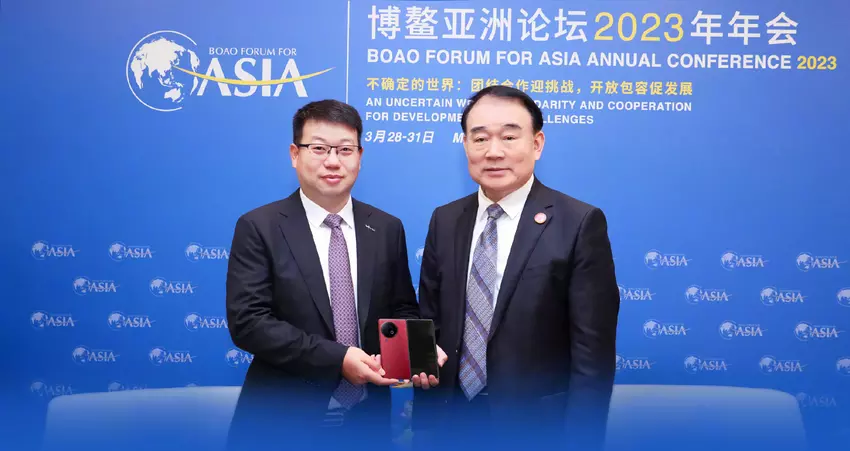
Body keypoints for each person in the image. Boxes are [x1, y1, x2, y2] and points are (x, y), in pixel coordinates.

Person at [413, 85, 620, 449]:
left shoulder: (578, 222)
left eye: (509, 137)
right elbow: (430, 318)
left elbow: (593, 354)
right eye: (480, 138)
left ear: (537, 144)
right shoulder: (445, 220)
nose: (494, 152)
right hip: (451, 420)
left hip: (537, 427)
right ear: (465, 145)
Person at [225, 99, 420, 449]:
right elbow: (249, 323)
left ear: (360, 155)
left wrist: (413, 352)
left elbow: (402, 309)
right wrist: (338, 359)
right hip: (280, 423)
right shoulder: (260, 226)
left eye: (345, 149)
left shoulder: (386, 228)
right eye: (318, 148)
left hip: (367, 422)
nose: (333, 161)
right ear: (294, 154)